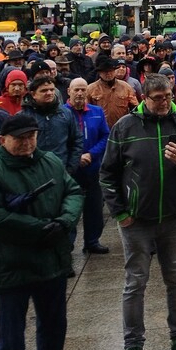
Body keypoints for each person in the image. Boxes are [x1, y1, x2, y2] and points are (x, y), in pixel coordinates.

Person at [0, 113, 84, 350]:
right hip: (12, 265)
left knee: (54, 325)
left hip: (51, 260)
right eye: (20, 138)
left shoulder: (50, 161)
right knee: (11, 337)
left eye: (31, 136)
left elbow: (72, 191)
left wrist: (64, 222)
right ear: (2, 140)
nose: (27, 142)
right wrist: (39, 229)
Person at [99, 73, 176, 350]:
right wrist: (120, 212)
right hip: (136, 220)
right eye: (157, 98)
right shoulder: (126, 126)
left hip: (172, 217)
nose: (164, 103)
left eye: (168, 96)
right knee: (136, 282)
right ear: (144, 97)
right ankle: (133, 345)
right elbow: (107, 174)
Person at [65, 78, 110, 255]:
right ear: (69, 91)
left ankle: (92, 241)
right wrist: (76, 157)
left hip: (93, 167)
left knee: (94, 208)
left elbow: (105, 136)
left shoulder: (97, 112)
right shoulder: (62, 113)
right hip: (71, 170)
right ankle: (68, 246)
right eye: (76, 90)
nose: (80, 93)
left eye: (83, 90)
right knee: (70, 210)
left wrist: (91, 154)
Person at [86, 57, 137, 131]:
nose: (108, 74)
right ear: (99, 73)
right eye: (105, 71)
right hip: (99, 129)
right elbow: (86, 110)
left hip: (122, 128)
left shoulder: (126, 87)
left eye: (110, 71)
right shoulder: (90, 89)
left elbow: (135, 108)